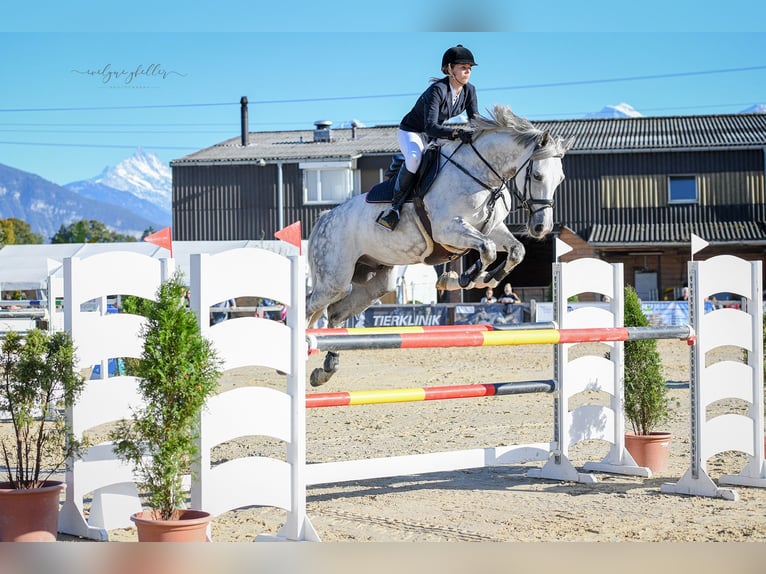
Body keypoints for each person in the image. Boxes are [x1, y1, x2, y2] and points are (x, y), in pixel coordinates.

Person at [376, 44, 479, 231]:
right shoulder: (437, 90)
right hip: (412, 131)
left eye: (469, 68)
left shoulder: (469, 91)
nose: (467, 71)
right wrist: (456, 133)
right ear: (449, 69)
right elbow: (431, 127)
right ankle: (394, 208)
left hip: (434, 134)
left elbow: (475, 121)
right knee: (415, 158)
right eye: (463, 67)